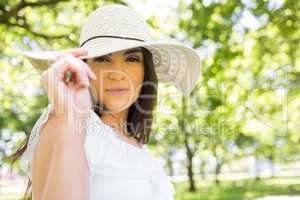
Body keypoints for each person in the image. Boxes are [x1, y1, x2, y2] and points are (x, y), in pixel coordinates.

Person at [19, 3, 200, 200]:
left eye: (131, 59)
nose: (117, 73)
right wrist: (72, 113)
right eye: (103, 59)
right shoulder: (64, 119)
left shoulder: (137, 145)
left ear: (145, 72)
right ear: (83, 67)